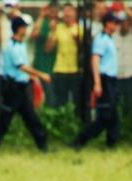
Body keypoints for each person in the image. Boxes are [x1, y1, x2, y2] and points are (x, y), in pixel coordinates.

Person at [0, 16, 49, 151]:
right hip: (13, 88)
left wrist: (31, 78)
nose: (26, 30)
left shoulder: (21, 45)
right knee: (5, 118)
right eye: (24, 27)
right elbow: (21, 66)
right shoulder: (12, 46)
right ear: (19, 29)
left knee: (31, 118)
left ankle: (43, 145)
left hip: (21, 87)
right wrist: (40, 75)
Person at [71, 11, 121, 148]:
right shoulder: (101, 39)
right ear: (108, 23)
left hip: (111, 79)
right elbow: (95, 60)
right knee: (105, 116)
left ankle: (112, 142)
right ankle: (81, 139)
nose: (116, 26)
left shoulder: (110, 39)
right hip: (104, 79)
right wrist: (97, 83)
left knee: (113, 114)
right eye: (115, 23)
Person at [48, 2, 80, 111]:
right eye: (65, 12)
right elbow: (48, 49)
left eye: (69, 11)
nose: (67, 14)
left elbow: (85, 49)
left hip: (75, 70)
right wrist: (52, 31)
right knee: (61, 101)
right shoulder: (58, 27)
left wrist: (77, 39)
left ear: (74, 13)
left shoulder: (80, 28)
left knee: (76, 100)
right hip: (60, 69)